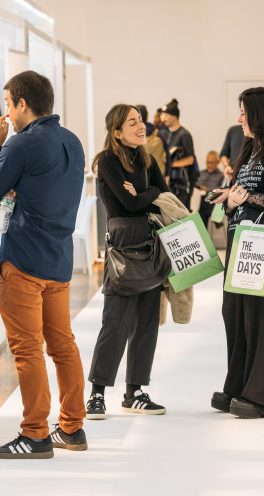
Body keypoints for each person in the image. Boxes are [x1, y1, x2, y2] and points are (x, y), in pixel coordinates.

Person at [0, 70, 87, 459]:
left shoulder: (20, 143)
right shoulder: (72, 141)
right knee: (62, 344)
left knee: (27, 350)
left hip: (23, 260)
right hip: (58, 260)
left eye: (9, 104)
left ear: (22, 103)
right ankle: (72, 427)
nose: (7, 113)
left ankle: (35, 434)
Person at [210, 87, 264, 419]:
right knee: (235, 315)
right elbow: (239, 195)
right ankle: (237, 386)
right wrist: (230, 200)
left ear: (261, 115)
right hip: (240, 245)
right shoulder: (250, 150)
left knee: (261, 320)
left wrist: (243, 198)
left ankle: (263, 398)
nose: (239, 119)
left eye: (244, 113)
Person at [86, 104, 169, 420]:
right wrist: (148, 194)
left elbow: (164, 197)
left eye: (140, 120)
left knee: (147, 322)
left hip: (151, 245)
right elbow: (127, 203)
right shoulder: (108, 160)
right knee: (115, 322)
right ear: (117, 132)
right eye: (132, 122)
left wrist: (144, 194)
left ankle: (134, 392)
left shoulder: (147, 159)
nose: (140, 125)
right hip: (122, 247)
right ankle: (97, 393)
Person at [160, 99, 196, 209]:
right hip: (167, 183)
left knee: (181, 214)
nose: (163, 118)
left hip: (180, 184)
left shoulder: (184, 134)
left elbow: (190, 159)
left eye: (166, 115)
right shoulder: (163, 133)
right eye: (162, 115)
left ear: (174, 116)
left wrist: (170, 164)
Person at [136, 104, 171, 181]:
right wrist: (167, 175)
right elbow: (167, 154)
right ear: (147, 115)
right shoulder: (157, 132)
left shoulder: (132, 133)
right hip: (159, 173)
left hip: (140, 175)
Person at [195, 150, 225, 226]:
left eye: (211, 163)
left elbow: (221, 190)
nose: (209, 165)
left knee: (204, 204)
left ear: (217, 162)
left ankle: (201, 227)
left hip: (210, 201)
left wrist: (208, 190)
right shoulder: (200, 173)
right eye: (207, 162)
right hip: (196, 199)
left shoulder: (221, 175)